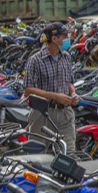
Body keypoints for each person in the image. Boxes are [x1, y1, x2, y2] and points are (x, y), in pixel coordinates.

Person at [23, 22, 78, 152]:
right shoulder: (35, 60)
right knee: (37, 156)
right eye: (64, 36)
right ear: (54, 39)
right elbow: (28, 89)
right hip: (43, 113)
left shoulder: (66, 57)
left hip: (65, 114)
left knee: (68, 154)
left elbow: (69, 81)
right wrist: (54, 96)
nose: (67, 39)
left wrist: (73, 94)